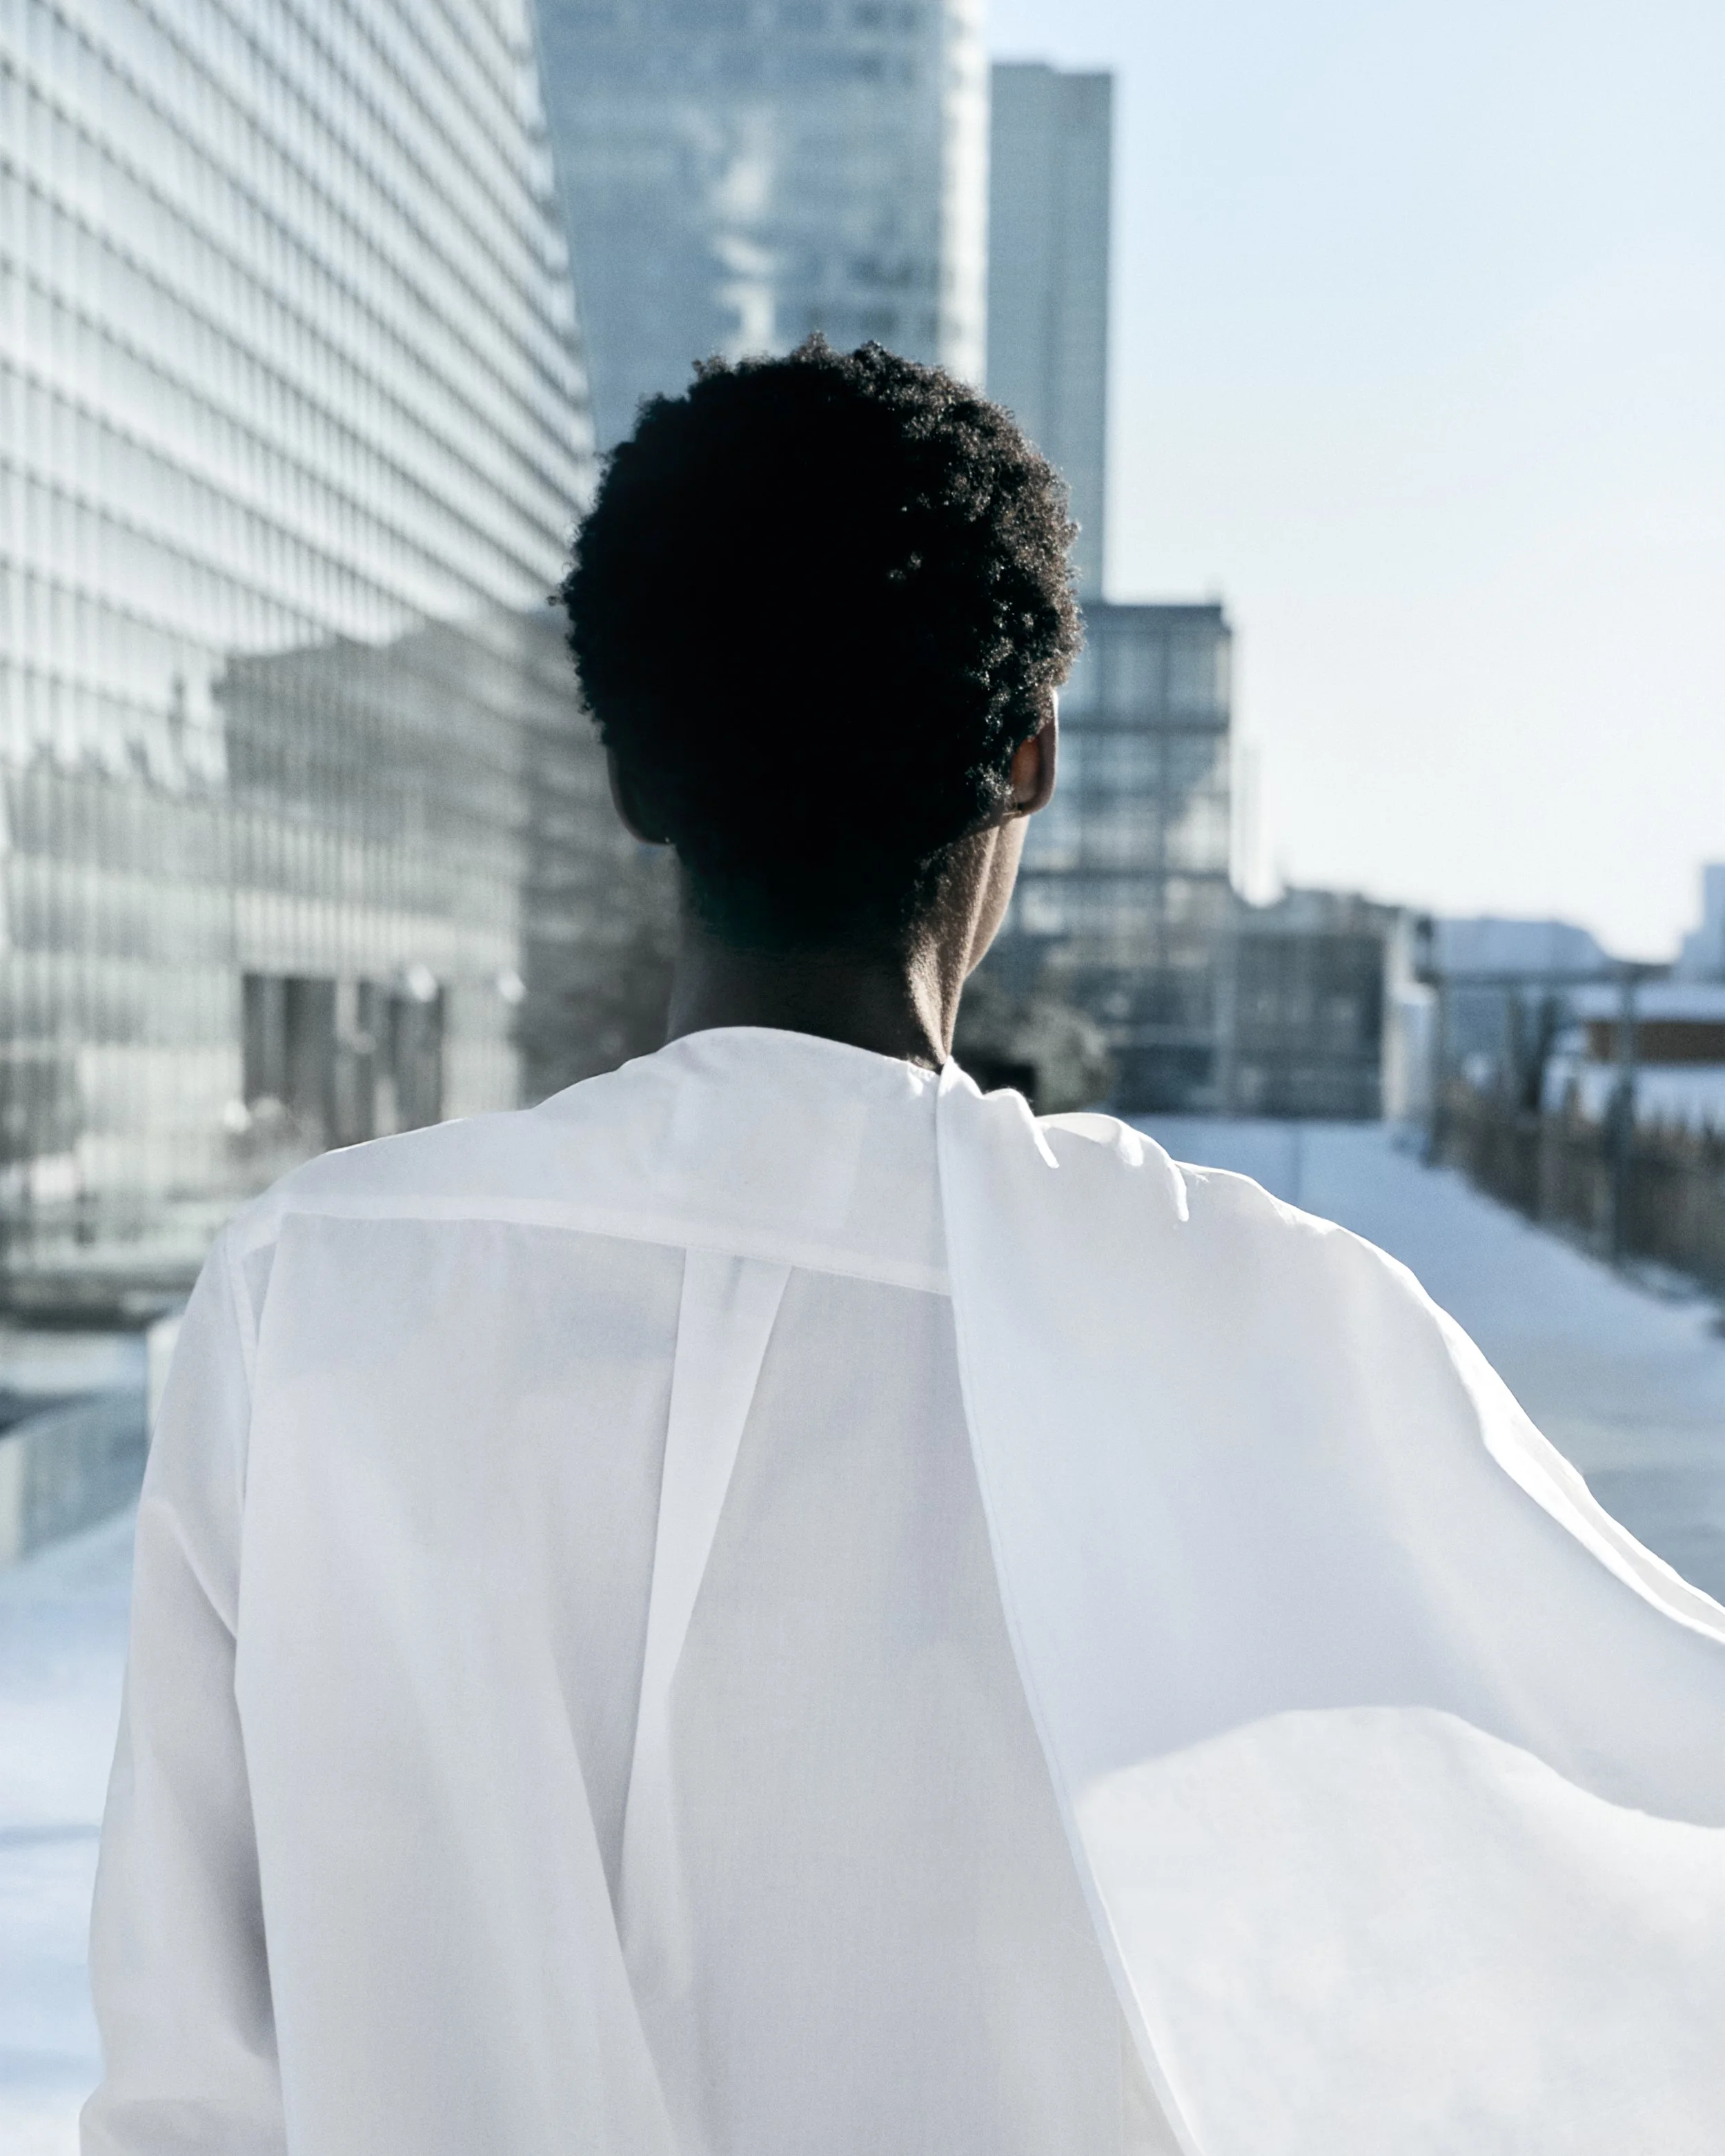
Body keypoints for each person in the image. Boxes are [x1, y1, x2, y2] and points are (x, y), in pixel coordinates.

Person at [86, 342, 1724, 2156]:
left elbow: (188, 2072)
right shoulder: (1252, 1308)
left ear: (631, 778)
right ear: (1023, 759)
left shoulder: (310, 1292)